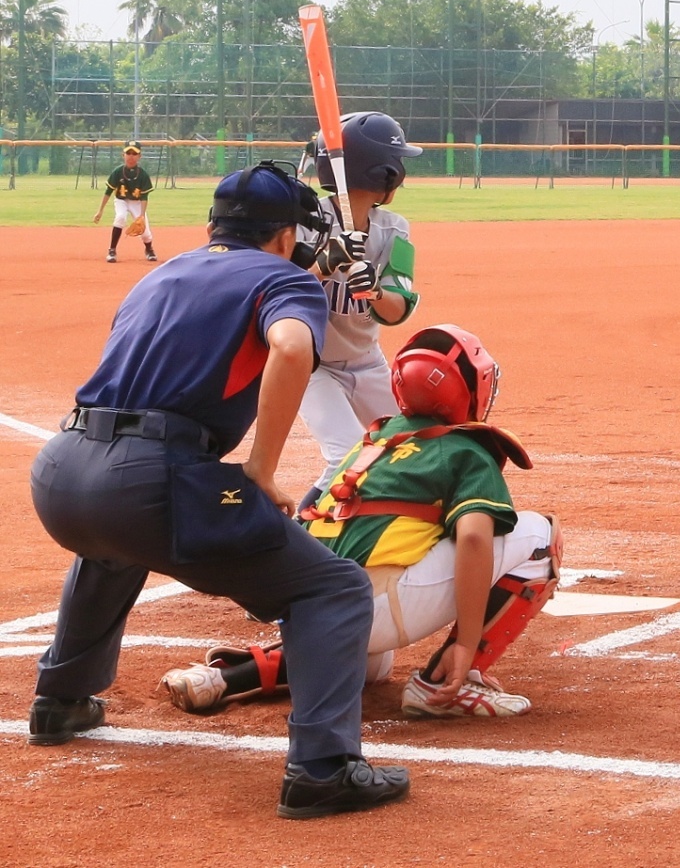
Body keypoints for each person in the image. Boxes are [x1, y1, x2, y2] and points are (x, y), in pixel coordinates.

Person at [29, 162, 410, 819]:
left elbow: (226, 304)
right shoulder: (283, 277)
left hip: (63, 474)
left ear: (214, 224)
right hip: (150, 479)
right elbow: (290, 347)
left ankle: (60, 700)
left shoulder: (163, 273)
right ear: (286, 234)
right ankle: (323, 768)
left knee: (114, 547)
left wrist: (307, 273)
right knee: (334, 588)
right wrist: (261, 469)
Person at [158, 324, 561, 720]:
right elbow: (474, 539)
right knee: (541, 535)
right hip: (373, 607)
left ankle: (227, 679)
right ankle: (450, 680)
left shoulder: (375, 439)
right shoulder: (466, 449)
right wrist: (466, 642)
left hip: (313, 603)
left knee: (368, 665)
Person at [295, 112, 423, 515]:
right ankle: (298, 530)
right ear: (384, 172)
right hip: (312, 367)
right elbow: (273, 290)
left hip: (368, 363)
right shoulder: (305, 220)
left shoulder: (394, 230)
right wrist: (323, 264)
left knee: (410, 450)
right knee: (347, 455)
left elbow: (399, 306)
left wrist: (374, 290)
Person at [91, 142, 157, 263]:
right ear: (123, 155)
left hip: (137, 203)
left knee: (145, 233)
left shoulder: (143, 175)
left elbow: (144, 197)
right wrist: (100, 211)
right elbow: (108, 191)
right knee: (120, 217)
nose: (131, 156)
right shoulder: (117, 172)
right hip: (121, 200)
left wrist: (142, 216)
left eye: (134, 153)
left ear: (139, 156)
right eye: (128, 153)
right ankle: (112, 250)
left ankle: (149, 249)